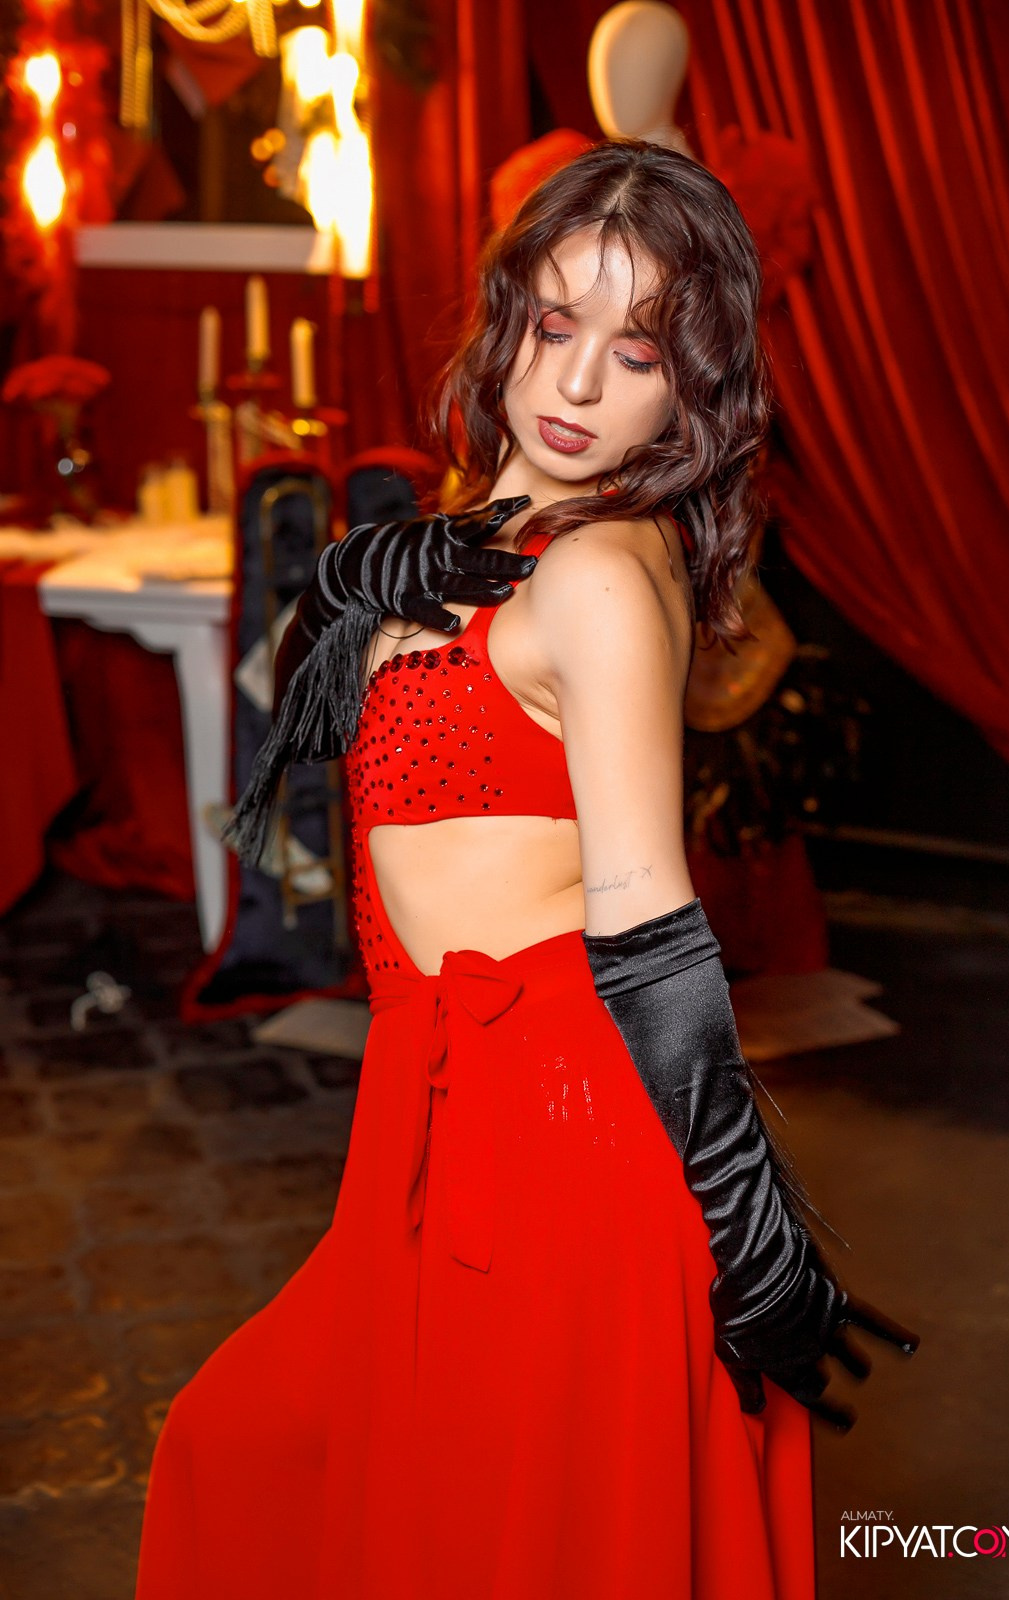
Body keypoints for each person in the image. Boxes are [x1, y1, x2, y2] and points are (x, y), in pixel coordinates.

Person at [136, 140, 917, 1600]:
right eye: (558, 325)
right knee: (268, 1458)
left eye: (639, 353)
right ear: (508, 319)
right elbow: (360, 691)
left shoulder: (601, 572)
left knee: (495, 1539)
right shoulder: (488, 538)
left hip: (559, 1124)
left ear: (691, 391)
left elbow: (650, 915)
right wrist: (354, 578)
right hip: (432, 1102)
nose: (577, 385)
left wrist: (746, 1214)